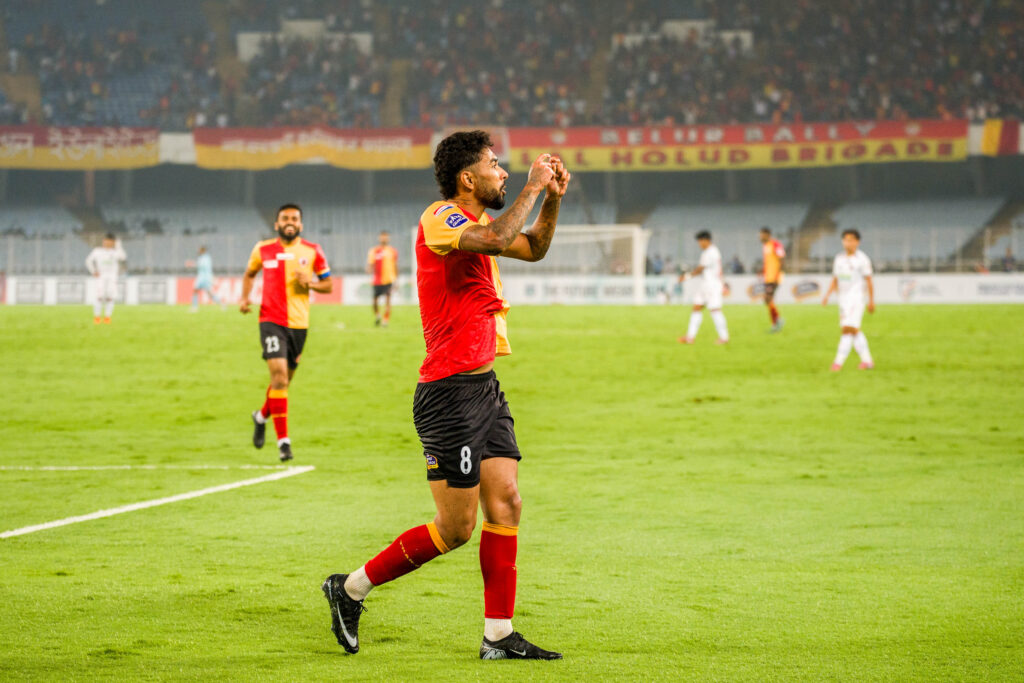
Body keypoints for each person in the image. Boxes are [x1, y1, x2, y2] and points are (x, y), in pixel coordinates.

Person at [322, 131, 570, 661]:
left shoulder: (482, 224)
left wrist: (550, 200)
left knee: (507, 503)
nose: (503, 173)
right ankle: (349, 589)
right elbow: (504, 240)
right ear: (467, 178)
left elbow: (536, 247)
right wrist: (532, 186)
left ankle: (498, 637)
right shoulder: (443, 218)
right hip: (448, 394)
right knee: (456, 528)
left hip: (484, 387)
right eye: (494, 165)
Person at [240, 204, 332, 462]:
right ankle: (284, 443)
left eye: (294, 218)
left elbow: (328, 284)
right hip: (270, 320)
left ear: (300, 225)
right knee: (279, 378)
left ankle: (260, 416)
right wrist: (245, 298)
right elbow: (249, 274)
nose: (289, 222)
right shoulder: (263, 249)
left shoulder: (312, 251)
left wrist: (311, 283)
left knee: (283, 383)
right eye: (285, 218)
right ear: (277, 224)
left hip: (299, 325)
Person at [822, 229, 875, 371]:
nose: (848, 243)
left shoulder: (862, 259)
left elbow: (869, 280)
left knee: (847, 330)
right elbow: (835, 279)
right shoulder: (839, 259)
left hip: (857, 298)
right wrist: (827, 295)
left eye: (851, 240)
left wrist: (871, 301)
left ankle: (837, 363)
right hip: (843, 300)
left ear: (857, 242)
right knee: (854, 330)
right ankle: (868, 361)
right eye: (845, 240)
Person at [678, 231, 729, 345]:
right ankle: (690, 337)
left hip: (712, 285)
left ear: (706, 240)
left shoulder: (711, 252)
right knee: (696, 307)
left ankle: (724, 337)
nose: (699, 244)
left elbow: (700, 269)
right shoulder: (710, 252)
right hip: (706, 284)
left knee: (715, 310)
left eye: (700, 241)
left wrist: (686, 277)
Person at [85, 233, 126, 324]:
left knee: (110, 297)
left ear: (113, 242)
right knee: (99, 297)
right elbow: (88, 261)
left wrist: (119, 245)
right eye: (106, 241)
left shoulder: (115, 252)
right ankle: (97, 317)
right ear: (104, 241)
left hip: (112, 276)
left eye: (110, 241)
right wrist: (93, 271)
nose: (107, 243)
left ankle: (107, 317)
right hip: (101, 276)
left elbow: (123, 257)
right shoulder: (97, 251)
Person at [366, 231, 398, 326]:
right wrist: (368, 270)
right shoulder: (374, 250)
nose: (384, 239)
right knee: (375, 302)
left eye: (386, 237)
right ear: (379, 238)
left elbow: (395, 265)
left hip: (389, 280)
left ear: (388, 239)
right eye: (382, 237)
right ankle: (378, 315)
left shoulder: (392, 251)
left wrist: (396, 280)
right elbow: (370, 264)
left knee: (388, 300)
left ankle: (385, 320)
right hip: (377, 280)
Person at [759, 227, 786, 332]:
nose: (760, 237)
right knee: (768, 300)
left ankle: (777, 322)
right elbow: (768, 262)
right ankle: (777, 321)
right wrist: (763, 271)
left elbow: (781, 259)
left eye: (762, 235)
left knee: (767, 299)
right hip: (768, 277)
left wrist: (776, 276)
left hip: (774, 277)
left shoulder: (775, 244)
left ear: (767, 234)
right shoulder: (765, 246)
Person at [188, 246, 224, 312]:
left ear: (202, 251)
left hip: (205, 278)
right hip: (202, 277)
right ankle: (194, 307)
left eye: (199, 250)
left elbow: (201, 266)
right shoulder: (202, 258)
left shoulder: (206, 258)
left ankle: (221, 303)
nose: (198, 251)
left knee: (210, 294)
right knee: (195, 290)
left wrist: (191, 264)